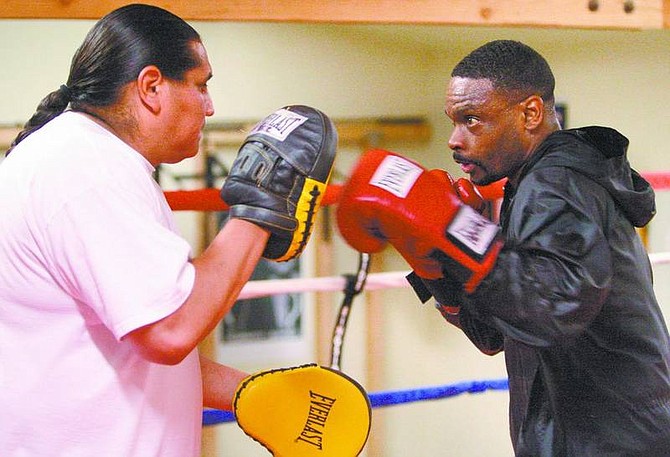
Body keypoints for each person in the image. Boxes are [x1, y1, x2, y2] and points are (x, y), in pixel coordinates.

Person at [0, 4, 341, 456]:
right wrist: (259, 209)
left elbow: (126, 346)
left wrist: (257, 393)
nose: (210, 105)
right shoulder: (87, 171)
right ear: (151, 86)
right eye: (201, 86)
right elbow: (169, 331)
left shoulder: (80, 157)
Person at [336, 40, 670, 456]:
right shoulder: (529, 186)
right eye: (453, 122)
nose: (455, 140)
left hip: (613, 440)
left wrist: (455, 229)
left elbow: (554, 309)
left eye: (472, 120)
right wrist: (436, 260)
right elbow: (495, 332)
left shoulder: (557, 185)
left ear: (530, 113)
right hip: (582, 434)